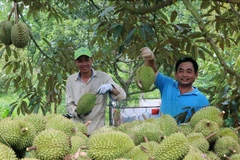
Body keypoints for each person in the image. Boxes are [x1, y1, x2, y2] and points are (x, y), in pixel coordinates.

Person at [66, 47, 126, 135]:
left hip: (97, 131)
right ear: (76, 62)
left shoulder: (103, 78)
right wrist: (77, 111)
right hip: (77, 131)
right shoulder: (71, 80)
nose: (84, 64)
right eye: (80, 61)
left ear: (91, 60)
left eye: (87, 60)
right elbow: (69, 105)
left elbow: (122, 96)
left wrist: (110, 87)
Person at [140, 47, 209, 123]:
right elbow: (153, 72)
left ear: (196, 75)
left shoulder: (201, 100)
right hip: (159, 133)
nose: (184, 75)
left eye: (189, 72)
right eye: (181, 71)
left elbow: (204, 124)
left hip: (184, 134)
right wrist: (150, 59)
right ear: (176, 74)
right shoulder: (167, 84)